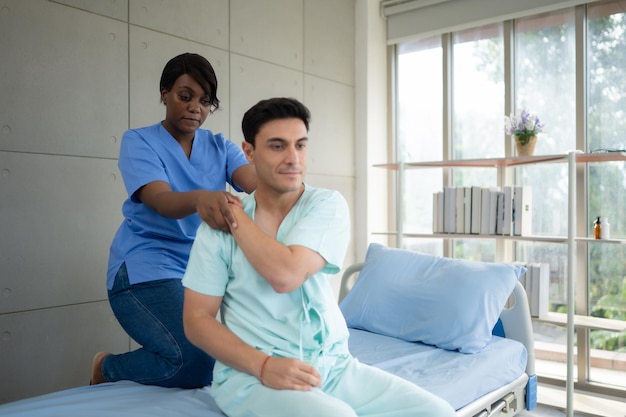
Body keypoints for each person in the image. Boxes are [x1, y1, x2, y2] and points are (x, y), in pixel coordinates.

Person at [181, 97, 456, 417]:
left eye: (300, 145)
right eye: (277, 146)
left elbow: (286, 274)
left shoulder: (325, 206)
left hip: (333, 367)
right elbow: (197, 320)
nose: (293, 158)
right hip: (251, 377)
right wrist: (264, 366)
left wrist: (235, 216)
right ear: (249, 152)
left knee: (438, 412)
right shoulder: (215, 231)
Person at [90, 52, 257, 388]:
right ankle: (108, 368)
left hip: (198, 275)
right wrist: (200, 198)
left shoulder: (220, 146)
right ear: (164, 93)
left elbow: (255, 184)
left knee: (228, 359)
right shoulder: (139, 141)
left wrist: (276, 166)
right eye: (185, 96)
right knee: (196, 362)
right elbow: (161, 201)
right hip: (143, 271)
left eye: (205, 100)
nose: (195, 107)